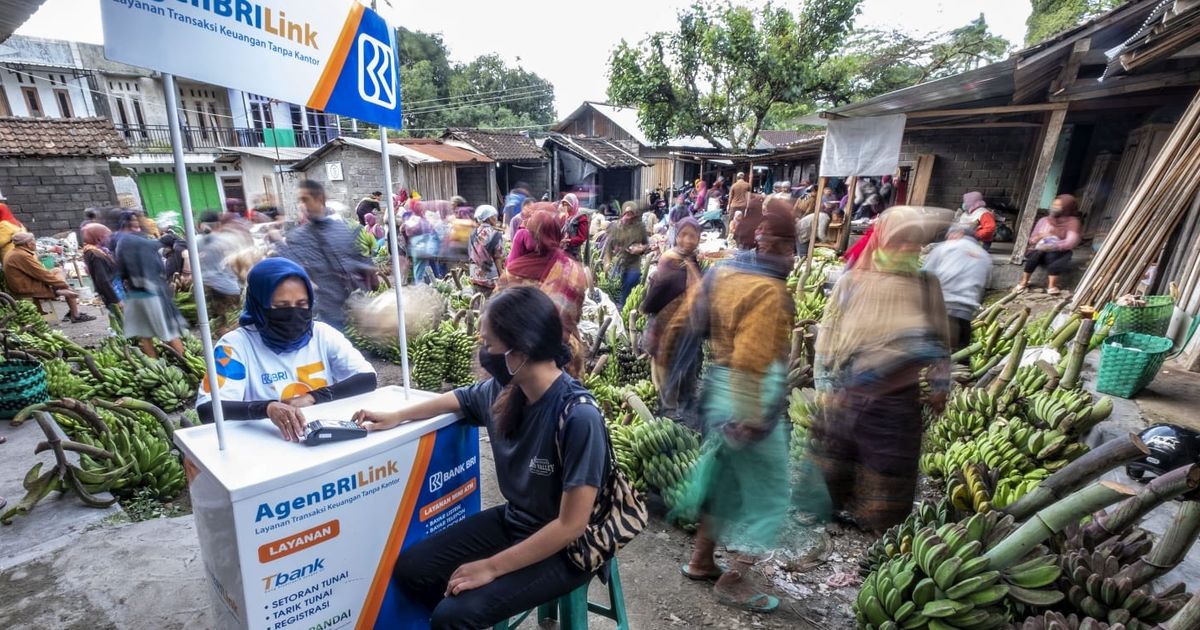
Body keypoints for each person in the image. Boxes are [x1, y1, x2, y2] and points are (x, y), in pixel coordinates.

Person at [352, 287, 613, 629]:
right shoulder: (507, 391)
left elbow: (570, 525)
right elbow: (458, 399)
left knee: (452, 617)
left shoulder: (578, 418)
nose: (484, 353)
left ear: (521, 349)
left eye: (489, 345)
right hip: (517, 521)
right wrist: (397, 415)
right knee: (411, 570)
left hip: (566, 549)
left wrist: (491, 567)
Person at [673, 212, 797, 613]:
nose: (794, 258)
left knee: (723, 480)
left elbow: (692, 317)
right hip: (750, 391)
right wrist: (751, 415)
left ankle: (701, 560)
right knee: (769, 492)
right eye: (793, 248)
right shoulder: (769, 291)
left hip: (720, 384)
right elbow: (753, 357)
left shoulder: (725, 272)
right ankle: (736, 579)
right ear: (776, 245)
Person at [811, 206, 952, 534]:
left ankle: (880, 527)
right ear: (881, 242)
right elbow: (829, 336)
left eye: (914, 243)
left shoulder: (927, 285)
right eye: (898, 241)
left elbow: (941, 341)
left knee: (890, 465)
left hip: (898, 397)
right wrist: (825, 386)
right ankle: (831, 514)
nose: (906, 249)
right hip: (850, 389)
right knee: (836, 461)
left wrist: (940, 384)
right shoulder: (852, 282)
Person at [195, 258, 377, 440]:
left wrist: (313, 397)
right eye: (281, 306)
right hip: (266, 446)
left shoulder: (322, 335)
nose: (293, 314)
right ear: (259, 305)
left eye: (301, 304)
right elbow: (207, 409)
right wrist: (267, 408)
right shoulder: (235, 346)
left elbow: (367, 378)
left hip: (323, 439)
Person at [277, 180, 376, 328]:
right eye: (299, 201)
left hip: (355, 310)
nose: (301, 206)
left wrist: (367, 269)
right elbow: (288, 270)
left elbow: (358, 258)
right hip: (324, 317)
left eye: (305, 200)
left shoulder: (342, 229)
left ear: (320, 199)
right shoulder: (298, 238)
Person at [503, 206, 589, 344]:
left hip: (522, 348)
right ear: (558, 233)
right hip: (563, 346)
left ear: (530, 235)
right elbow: (575, 314)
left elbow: (500, 312)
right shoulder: (573, 270)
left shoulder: (513, 271)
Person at [642, 217, 701, 406]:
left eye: (693, 236)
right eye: (683, 235)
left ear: (698, 238)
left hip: (688, 325)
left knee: (687, 365)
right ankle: (668, 407)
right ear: (677, 236)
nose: (687, 240)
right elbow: (662, 288)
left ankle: (682, 403)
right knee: (666, 366)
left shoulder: (692, 259)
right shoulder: (670, 258)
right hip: (666, 323)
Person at [922, 224, 992, 352]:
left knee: (932, 353)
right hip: (965, 314)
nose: (948, 238)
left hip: (940, 309)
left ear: (959, 233)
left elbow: (925, 275)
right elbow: (984, 286)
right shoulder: (985, 256)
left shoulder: (945, 247)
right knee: (960, 356)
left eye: (949, 235)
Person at [116, 230, 184, 356]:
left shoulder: (124, 255)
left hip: (135, 298)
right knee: (168, 332)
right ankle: (185, 362)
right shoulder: (150, 255)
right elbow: (161, 274)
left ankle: (155, 365)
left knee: (145, 335)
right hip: (154, 297)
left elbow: (122, 277)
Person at [3, 232, 94, 323]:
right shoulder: (22, 255)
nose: (35, 243)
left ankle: (61, 290)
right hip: (25, 287)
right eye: (34, 240)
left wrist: (59, 281)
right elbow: (41, 274)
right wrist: (62, 284)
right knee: (65, 286)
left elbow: (39, 271)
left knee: (57, 270)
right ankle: (74, 313)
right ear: (28, 243)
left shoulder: (16, 252)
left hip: (27, 282)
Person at [1018, 194, 1081, 296]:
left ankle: (1051, 286)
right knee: (1037, 253)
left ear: (1067, 208)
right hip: (1040, 250)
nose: (1054, 208)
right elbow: (1031, 240)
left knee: (1056, 256)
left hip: (1058, 252)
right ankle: (1024, 282)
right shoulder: (1044, 220)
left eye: (1058, 206)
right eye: (1053, 205)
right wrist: (1039, 237)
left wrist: (1054, 244)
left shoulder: (1073, 222)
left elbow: (1071, 242)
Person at [604, 203, 649, 308]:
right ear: (622, 214)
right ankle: (620, 309)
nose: (628, 217)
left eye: (631, 214)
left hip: (634, 263)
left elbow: (647, 244)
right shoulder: (616, 228)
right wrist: (607, 263)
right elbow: (608, 247)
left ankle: (626, 310)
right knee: (618, 290)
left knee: (631, 282)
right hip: (619, 263)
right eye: (626, 214)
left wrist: (641, 249)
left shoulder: (640, 228)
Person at [80, 223, 123, 322]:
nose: (110, 239)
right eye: (107, 236)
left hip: (116, 290)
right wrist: (116, 300)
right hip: (114, 293)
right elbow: (103, 280)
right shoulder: (95, 254)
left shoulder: (98, 250)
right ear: (99, 238)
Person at [468, 205, 505, 296]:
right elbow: (498, 257)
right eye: (494, 216)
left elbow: (470, 253)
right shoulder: (495, 234)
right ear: (488, 218)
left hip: (474, 274)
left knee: (478, 301)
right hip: (490, 276)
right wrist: (502, 275)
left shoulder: (473, 233)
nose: (496, 218)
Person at [559, 193, 589, 260]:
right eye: (564, 204)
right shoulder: (565, 217)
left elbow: (582, 238)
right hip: (563, 250)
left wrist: (568, 241)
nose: (565, 206)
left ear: (573, 204)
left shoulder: (581, 218)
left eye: (567, 204)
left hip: (574, 253)